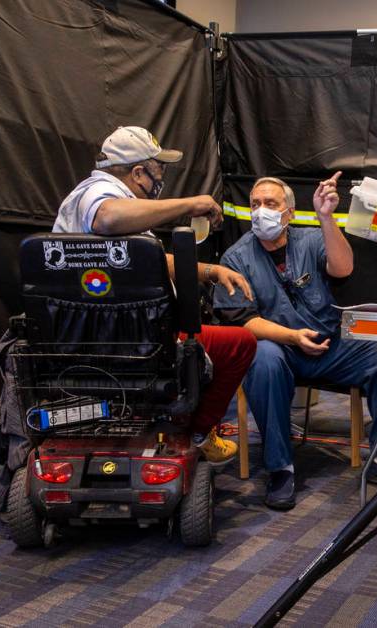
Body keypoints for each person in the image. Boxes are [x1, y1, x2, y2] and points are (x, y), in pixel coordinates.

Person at [53, 126, 257, 465]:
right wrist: (191, 203)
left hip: (123, 331)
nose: (161, 178)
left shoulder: (124, 202)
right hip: (122, 338)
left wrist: (210, 271)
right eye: (158, 168)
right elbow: (107, 217)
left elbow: (147, 258)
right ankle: (197, 432)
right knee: (240, 344)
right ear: (137, 172)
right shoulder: (99, 192)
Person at [219, 173, 377, 510]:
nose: (261, 211)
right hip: (282, 349)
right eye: (255, 204)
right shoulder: (235, 258)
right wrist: (292, 337)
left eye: (270, 204)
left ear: (288, 212)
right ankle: (280, 468)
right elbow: (243, 320)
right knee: (263, 357)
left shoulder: (312, 239)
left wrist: (326, 218)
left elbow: (343, 269)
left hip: (332, 346)